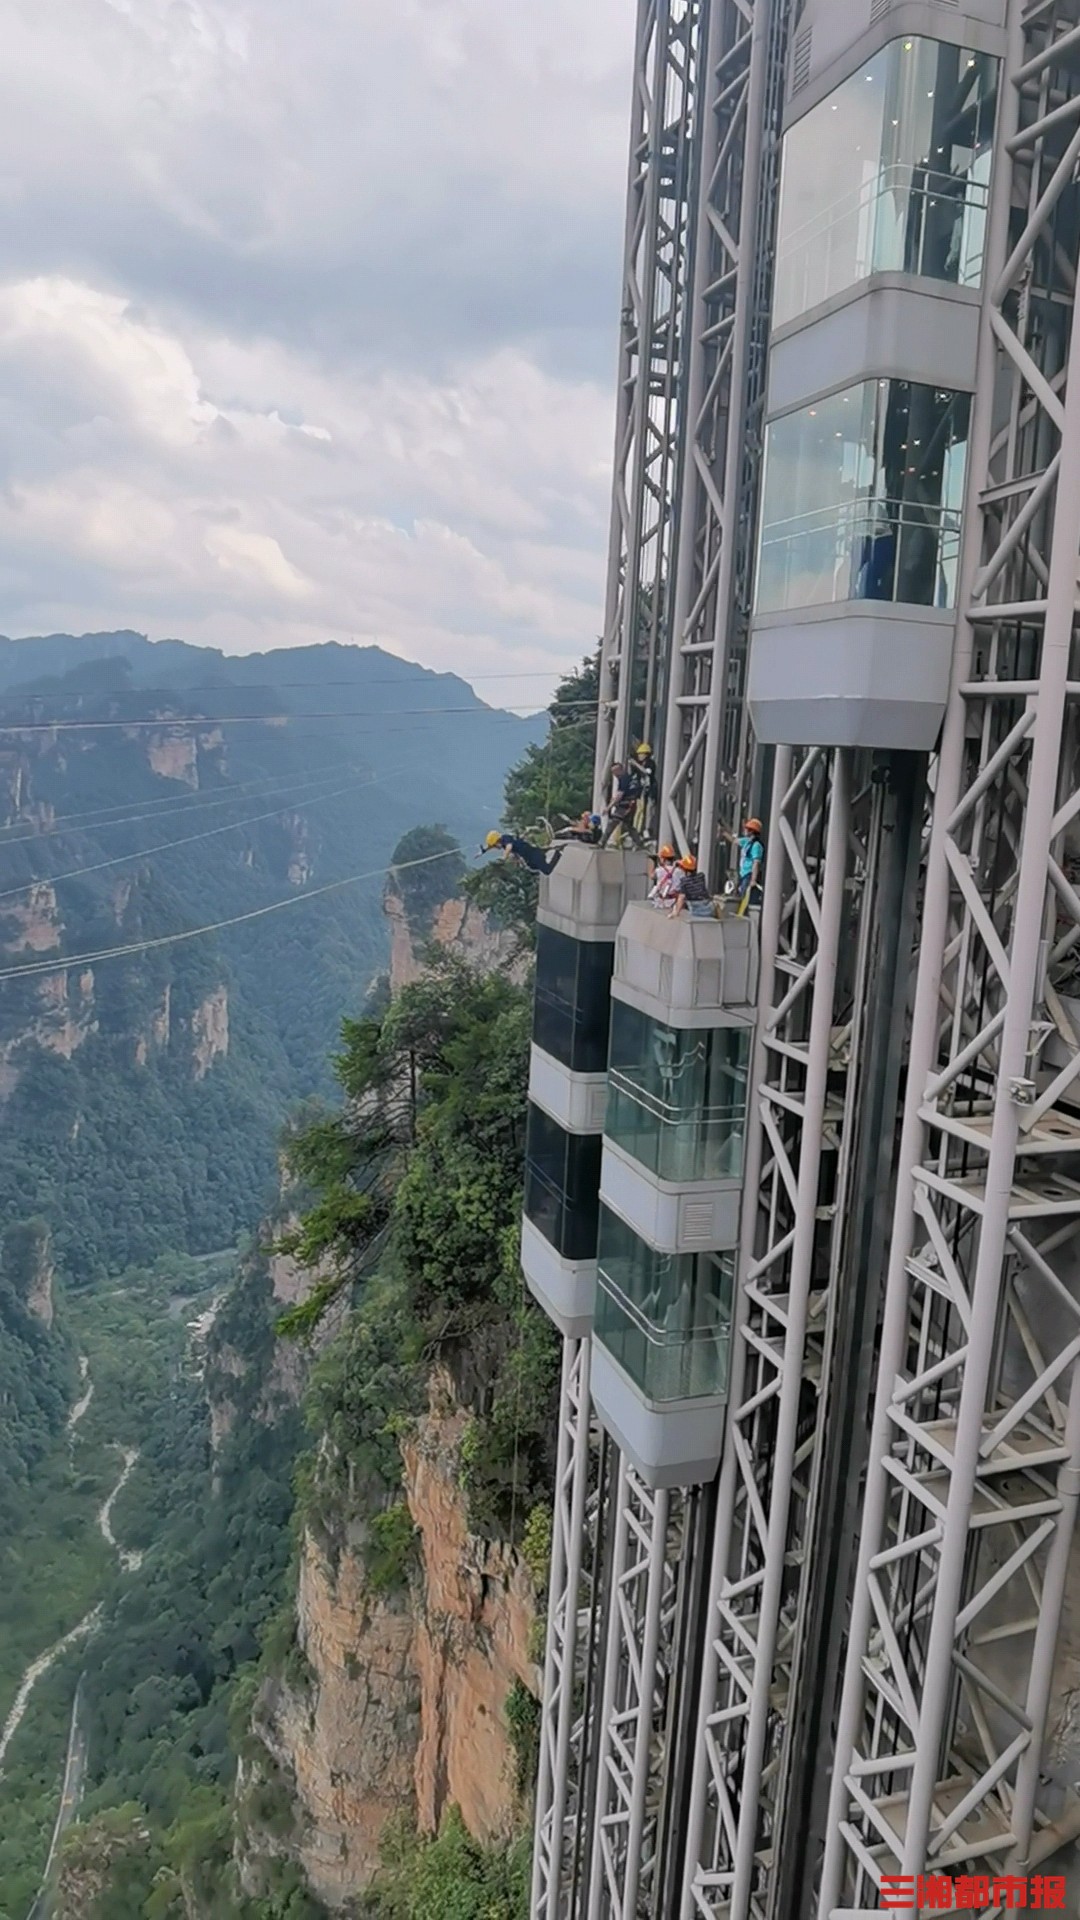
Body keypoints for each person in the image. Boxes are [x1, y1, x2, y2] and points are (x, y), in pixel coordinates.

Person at [721, 815, 765, 908]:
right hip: (743, 874)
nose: (744, 830)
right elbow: (734, 841)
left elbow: (756, 863)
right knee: (741, 894)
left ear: (752, 831)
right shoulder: (747, 841)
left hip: (749, 874)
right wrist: (724, 832)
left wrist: (753, 879)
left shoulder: (757, 846)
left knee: (745, 898)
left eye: (747, 829)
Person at [602, 760, 644, 848]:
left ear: (620, 770)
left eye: (615, 771)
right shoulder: (629, 778)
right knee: (628, 826)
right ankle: (640, 844)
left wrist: (608, 808)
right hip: (631, 804)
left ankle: (602, 843)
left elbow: (619, 796)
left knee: (612, 823)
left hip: (625, 806)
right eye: (613, 772)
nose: (614, 774)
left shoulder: (623, 779)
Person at [481, 829, 562, 875]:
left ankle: (558, 853)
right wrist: (484, 851)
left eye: (495, 845)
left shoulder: (506, 839)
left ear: (497, 841)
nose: (495, 847)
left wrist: (504, 857)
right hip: (529, 857)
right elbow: (490, 846)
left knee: (547, 871)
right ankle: (550, 853)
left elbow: (509, 847)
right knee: (532, 867)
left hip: (533, 855)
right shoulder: (502, 842)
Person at [669, 853, 713, 918]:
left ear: (684, 869)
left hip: (695, 909)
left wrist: (676, 912)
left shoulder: (684, 881)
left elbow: (681, 898)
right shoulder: (701, 876)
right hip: (708, 907)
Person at [632, 741, 658, 841]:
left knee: (648, 811)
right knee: (639, 810)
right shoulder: (639, 765)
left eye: (640, 754)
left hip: (650, 790)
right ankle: (636, 829)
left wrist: (636, 764)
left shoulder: (650, 763)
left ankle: (646, 829)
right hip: (641, 791)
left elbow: (647, 772)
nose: (639, 756)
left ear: (646, 754)